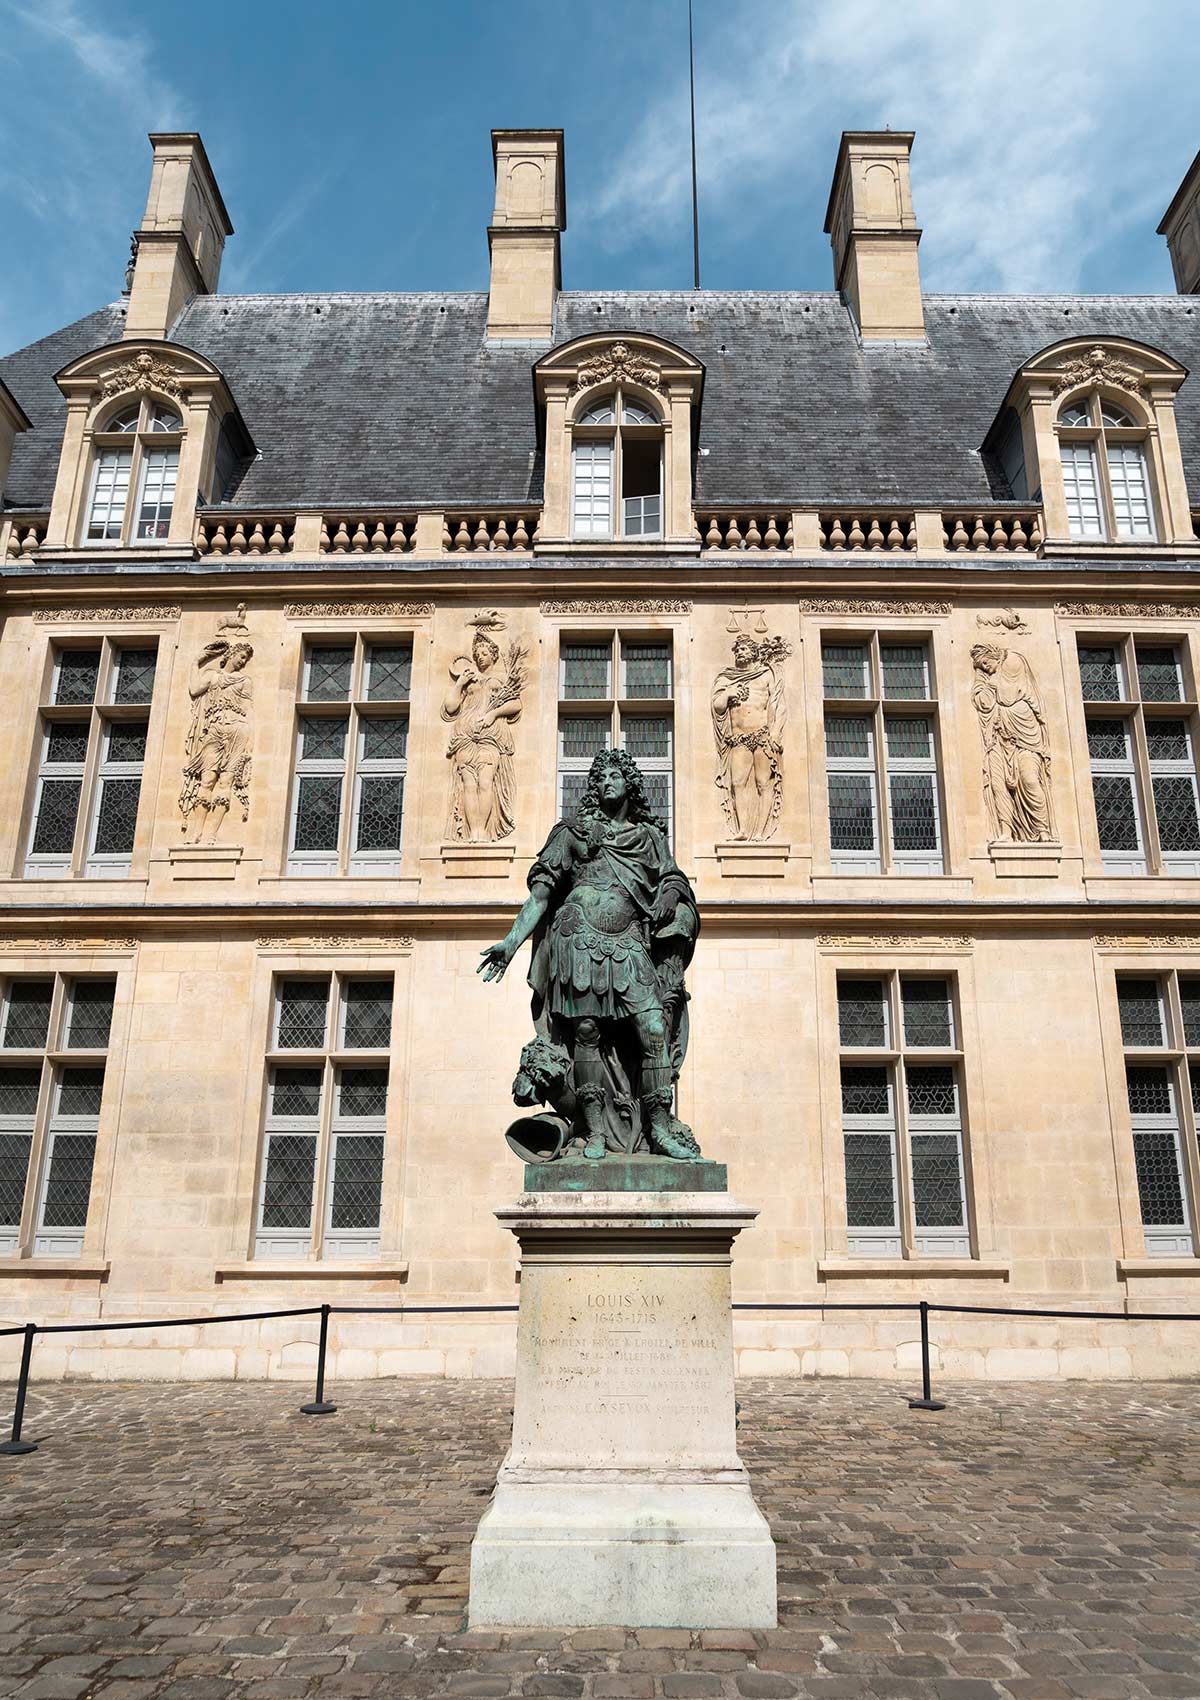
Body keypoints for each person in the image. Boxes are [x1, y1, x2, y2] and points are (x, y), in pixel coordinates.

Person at [478, 748, 701, 1161]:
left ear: (630, 784)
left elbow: (673, 879)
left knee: (653, 1029)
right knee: (585, 1032)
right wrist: (510, 942)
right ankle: (595, 1131)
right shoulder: (572, 833)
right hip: (577, 940)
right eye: (600, 777)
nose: (606, 782)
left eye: (615, 775)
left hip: (629, 942)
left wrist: (671, 894)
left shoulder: (649, 839)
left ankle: (659, 1128)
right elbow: (541, 895)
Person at [442, 630, 525, 841]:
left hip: (490, 737)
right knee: (469, 785)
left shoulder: (498, 682)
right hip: (465, 737)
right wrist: (459, 683)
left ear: (493, 655)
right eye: (477, 653)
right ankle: (475, 831)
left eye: (484, 653)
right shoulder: (467, 681)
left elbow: (516, 704)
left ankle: (484, 832)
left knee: (486, 782)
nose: (480, 656)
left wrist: (493, 714)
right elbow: (451, 707)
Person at [970, 642, 1055, 843]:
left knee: (1030, 780)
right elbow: (982, 701)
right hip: (997, 737)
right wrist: (984, 681)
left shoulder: (1013, 661)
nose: (984, 668)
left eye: (985, 663)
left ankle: (1042, 830)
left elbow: (1008, 695)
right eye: (980, 667)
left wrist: (989, 683)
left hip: (1026, 736)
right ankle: (1006, 832)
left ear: (994, 655)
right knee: (998, 786)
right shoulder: (987, 675)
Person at [711, 634, 789, 840]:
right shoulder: (727, 678)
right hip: (738, 739)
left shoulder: (766, 675)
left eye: (744, 649)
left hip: (762, 735)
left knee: (763, 783)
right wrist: (728, 692)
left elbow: (779, 705)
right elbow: (717, 707)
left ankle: (761, 832)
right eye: (737, 650)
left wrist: (776, 733)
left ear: (753, 652)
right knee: (737, 782)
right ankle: (743, 830)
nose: (739, 652)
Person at [178, 639, 253, 844]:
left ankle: (211, 834)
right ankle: (196, 831)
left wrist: (250, 743)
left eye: (246, 659)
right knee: (208, 779)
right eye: (242, 656)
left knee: (226, 782)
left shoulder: (245, 681)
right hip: (215, 728)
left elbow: (250, 710)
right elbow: (194, 689)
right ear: (231, 654)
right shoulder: (212, 676)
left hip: (238, 729)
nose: (243, 661)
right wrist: (196, 661)